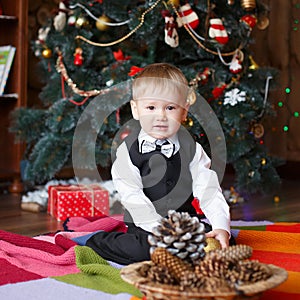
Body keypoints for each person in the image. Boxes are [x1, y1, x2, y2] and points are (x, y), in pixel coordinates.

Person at [86, 63, 233, 265]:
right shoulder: (128, 152)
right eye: (151, 107)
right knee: (143, 251)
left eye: (170, 108)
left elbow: (208, 189)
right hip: (146, 225)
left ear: (184, 111)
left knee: (219, 242)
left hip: (184, 224)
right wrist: (163, 232)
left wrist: (220, 226)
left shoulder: (192, 148)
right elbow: (133, 197)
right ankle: (96, 242)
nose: (161, 117)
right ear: (136, 110)